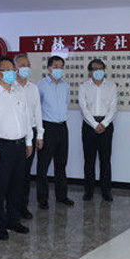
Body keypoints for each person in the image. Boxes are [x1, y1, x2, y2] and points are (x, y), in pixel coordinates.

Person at [0, 56, 33, 240]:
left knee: (17, 187)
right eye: (7, 69)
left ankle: (13, 220)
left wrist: (29, 141)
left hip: (20, 145)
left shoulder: (19, 92)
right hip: (2, 147)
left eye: (13, 69)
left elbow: (26, 118)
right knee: (0, 188)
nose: (12, 72)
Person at [36, 55, 74, 209]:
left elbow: (65, 104)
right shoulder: (41, 85)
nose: (59, 69)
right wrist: (39, 133)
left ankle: (61, 196)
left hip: (62, 127)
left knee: (61, 164)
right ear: (49, 68)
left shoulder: (65, 86)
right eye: (55, 66)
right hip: (47, 127)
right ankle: (42, 198)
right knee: (43, 166)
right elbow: (36, 109)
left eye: (61, 67)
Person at [78, 59, 118, 201]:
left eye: (101, 68)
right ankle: (88, 191)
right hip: (89, 126)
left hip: (106, 126)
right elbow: (83, 108)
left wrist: (104, 123)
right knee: (89, 160)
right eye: (95, 69)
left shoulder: (111, 86)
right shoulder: (83, 87)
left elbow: (113, 108)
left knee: (105, 160)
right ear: (90, 72)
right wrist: (95, 124)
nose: (98, 71)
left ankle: (106, 191)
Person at [14, 53, 42, 218]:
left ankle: (22, 207)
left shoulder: (33, 88)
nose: (26, 68)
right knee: (13, 173)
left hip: (31, 134)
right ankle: (11, 207)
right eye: (22, 65)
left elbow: (37, 112)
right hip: (15, 135)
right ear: (15, 68)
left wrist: (40, 135)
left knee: (25, 173)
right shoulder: (10, 87)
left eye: (28, 65)